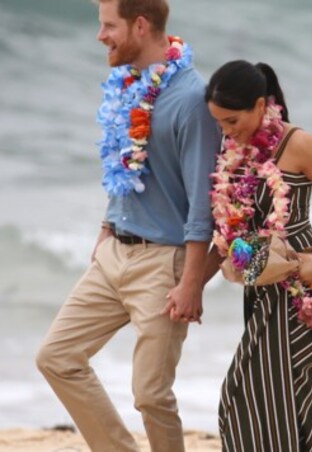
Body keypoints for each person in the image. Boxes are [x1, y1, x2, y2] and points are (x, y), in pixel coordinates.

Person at [35, 0, 220, 451]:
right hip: (114, 251)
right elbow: (128, 167)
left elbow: (202, 204)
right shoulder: (128, 84)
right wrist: (105, 228)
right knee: (57, 358)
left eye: (108, 26)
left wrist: (192, 282)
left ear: (140, 26)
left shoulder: (193, 101)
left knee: (151, 395)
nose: (100, 36)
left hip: (163, 264)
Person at [203, 60, 312, 451]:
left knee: (269, 389)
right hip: (260, 277)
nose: (226, 132)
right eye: (219, 123)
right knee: (278, 392)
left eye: (232, 121)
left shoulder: (299, 144)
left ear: (259, 105)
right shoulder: (237, 150)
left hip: (305, 278)